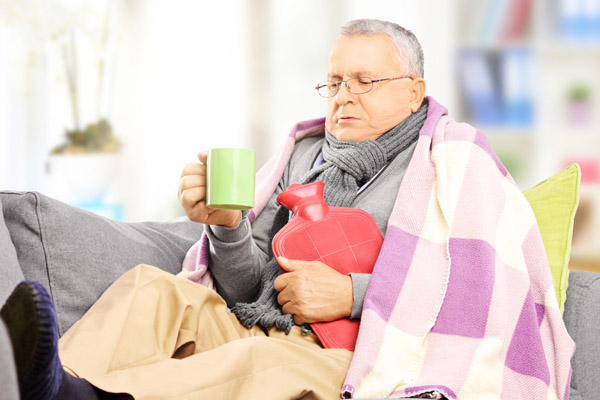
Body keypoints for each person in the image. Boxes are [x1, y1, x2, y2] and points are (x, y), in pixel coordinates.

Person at [0, 18, 573, 400]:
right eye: (333, 82)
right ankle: (55, 383)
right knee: (155, 288)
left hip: (362, 358)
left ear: (414, 91)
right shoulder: (305, 154)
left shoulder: (455, 158)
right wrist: (227, 229)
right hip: (266, 324)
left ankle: (79, 392)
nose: (344, 94)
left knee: (258, 365)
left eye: (364, 80)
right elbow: (249, 288)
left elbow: (480, 288)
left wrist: (350, 293)